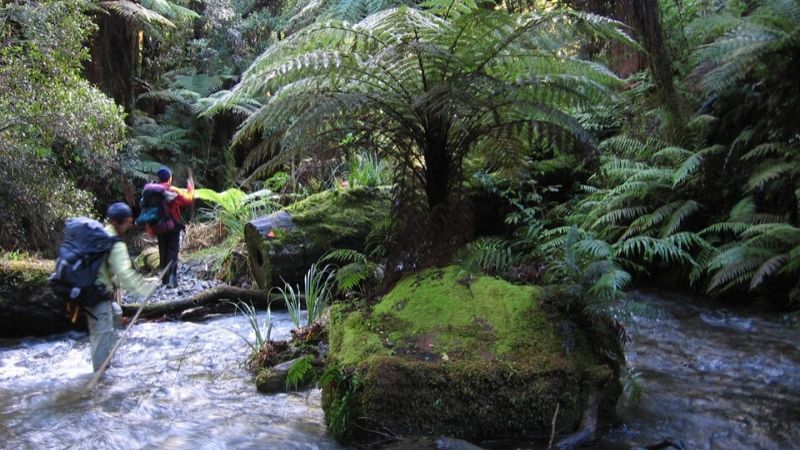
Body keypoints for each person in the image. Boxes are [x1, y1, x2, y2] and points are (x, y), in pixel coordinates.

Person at [88, 202, 156, 372]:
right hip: (96, 297)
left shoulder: (100, 235)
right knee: (101, 338)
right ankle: (101, 380)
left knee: (116, 313)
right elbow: (125, 274)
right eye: (128, 222)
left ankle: (111, 357)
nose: (129, 225)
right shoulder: (115, 243)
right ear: (118, 222)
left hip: (90, 292)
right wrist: (146, 291)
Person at [153, 166, 194, 288]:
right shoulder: (172, 190)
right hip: (172, 225)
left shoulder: (153, 191)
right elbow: (187, 200)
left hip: (159, 226)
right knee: (172, 250)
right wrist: (191, 187)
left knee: (163, 250)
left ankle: (164, 279)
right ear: (169, 179)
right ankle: (172, 279)